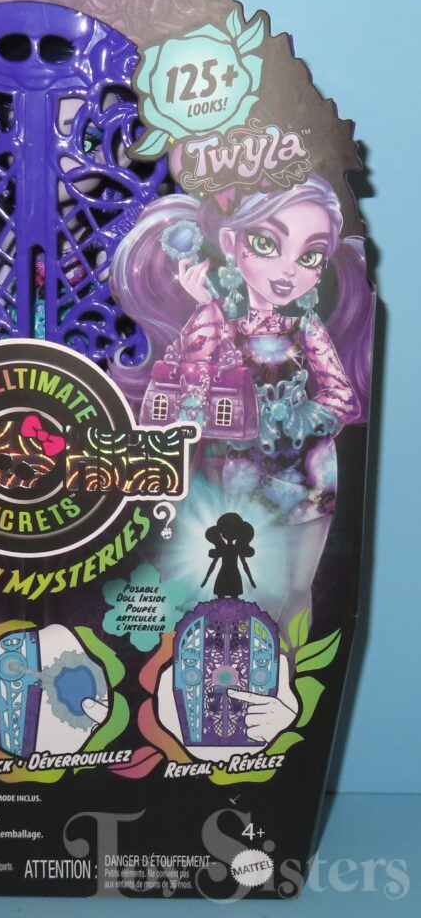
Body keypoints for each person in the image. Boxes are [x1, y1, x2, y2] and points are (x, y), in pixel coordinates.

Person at [110, 174, 372, 631]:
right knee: (251, 588)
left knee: (298, 588)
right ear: (231, 243)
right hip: (243, 474)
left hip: (310, 470)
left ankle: (290, 671)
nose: (288, 270)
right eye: (267, 244)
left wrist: (298, 424)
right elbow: (189, 395)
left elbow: (341, 396)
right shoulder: (215, 321)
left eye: (310, 256)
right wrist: (204, 311)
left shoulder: (306, 326)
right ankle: (242, 666)